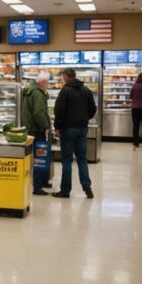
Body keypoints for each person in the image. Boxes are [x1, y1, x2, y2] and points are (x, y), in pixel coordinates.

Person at [52, 68, 96, 199]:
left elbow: (59, 110)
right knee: (82, 158)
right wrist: (85, 118)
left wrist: (57, 127)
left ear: (65, 76)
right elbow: (93, 109)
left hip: (68, 129)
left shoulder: (65, 91)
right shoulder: (86, 90)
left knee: (67, 160)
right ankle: (87, 189)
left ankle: (65, 190)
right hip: (82, 128)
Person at [21, 72, 51, 195]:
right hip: (37, 129)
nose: (48, 85)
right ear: (42, 82)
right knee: (40, 157)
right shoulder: (38, 94)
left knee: (38, 156)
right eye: (47, 82)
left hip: (30, 128)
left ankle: (43, 181)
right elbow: (38, 113)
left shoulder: (29, 91)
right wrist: (45, 126)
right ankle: (38, 186)